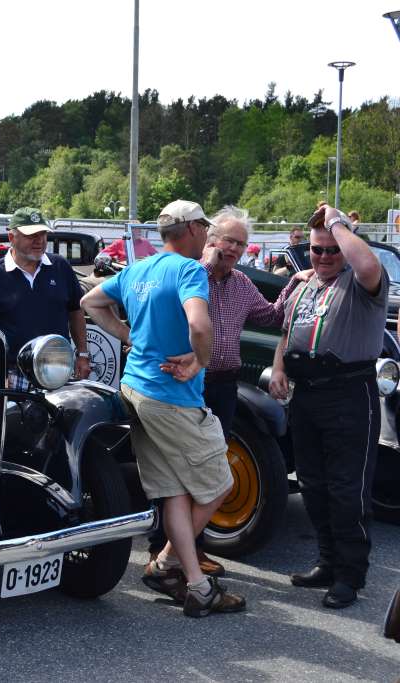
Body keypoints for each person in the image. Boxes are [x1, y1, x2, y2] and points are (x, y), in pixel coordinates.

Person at [81, 199, 245, 618]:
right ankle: (168, 564)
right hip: (172, 398)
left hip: (135, 389)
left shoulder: (138, 269)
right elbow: (200, 324)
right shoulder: (190, 270)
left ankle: (192, 583)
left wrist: (127, 335)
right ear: (190, 229)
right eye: (204, 227)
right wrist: (200, 361)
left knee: (174, 491)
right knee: (220, 484)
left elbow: (91, 302)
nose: (207, 234)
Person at [144, 205, 310, 574]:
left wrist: (295, 285)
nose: (234, 249)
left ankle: (193, 548)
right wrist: (206, 264)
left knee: (209, 470)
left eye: (241, 244)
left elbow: (270, 316)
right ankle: (160, 548)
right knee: (177, 471)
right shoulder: (190, 274)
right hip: (186, 383)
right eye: (228, 241)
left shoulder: (241, 284)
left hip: (223, 384)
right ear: (211, 239)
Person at [269, 205, 388, 609]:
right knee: (313, 485)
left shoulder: (361, 283)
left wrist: (338, 223)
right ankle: (327, 561)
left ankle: (349, 576)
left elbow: (366, 263)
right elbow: (287, 331)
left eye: (332, 249)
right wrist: (279, 367)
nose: (323, 256)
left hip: (349, 394)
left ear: (344, 247)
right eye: (316, 249)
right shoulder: (304, 284)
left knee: (346, 490)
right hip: (307, 396)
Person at [0, 207, 91, 388]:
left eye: (43, 234)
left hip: (59, 370)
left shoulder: (60, 266)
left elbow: (76, 311)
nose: (39, 241)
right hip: (14, 375)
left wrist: (82, 354)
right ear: (11, 237)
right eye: (31, 235)